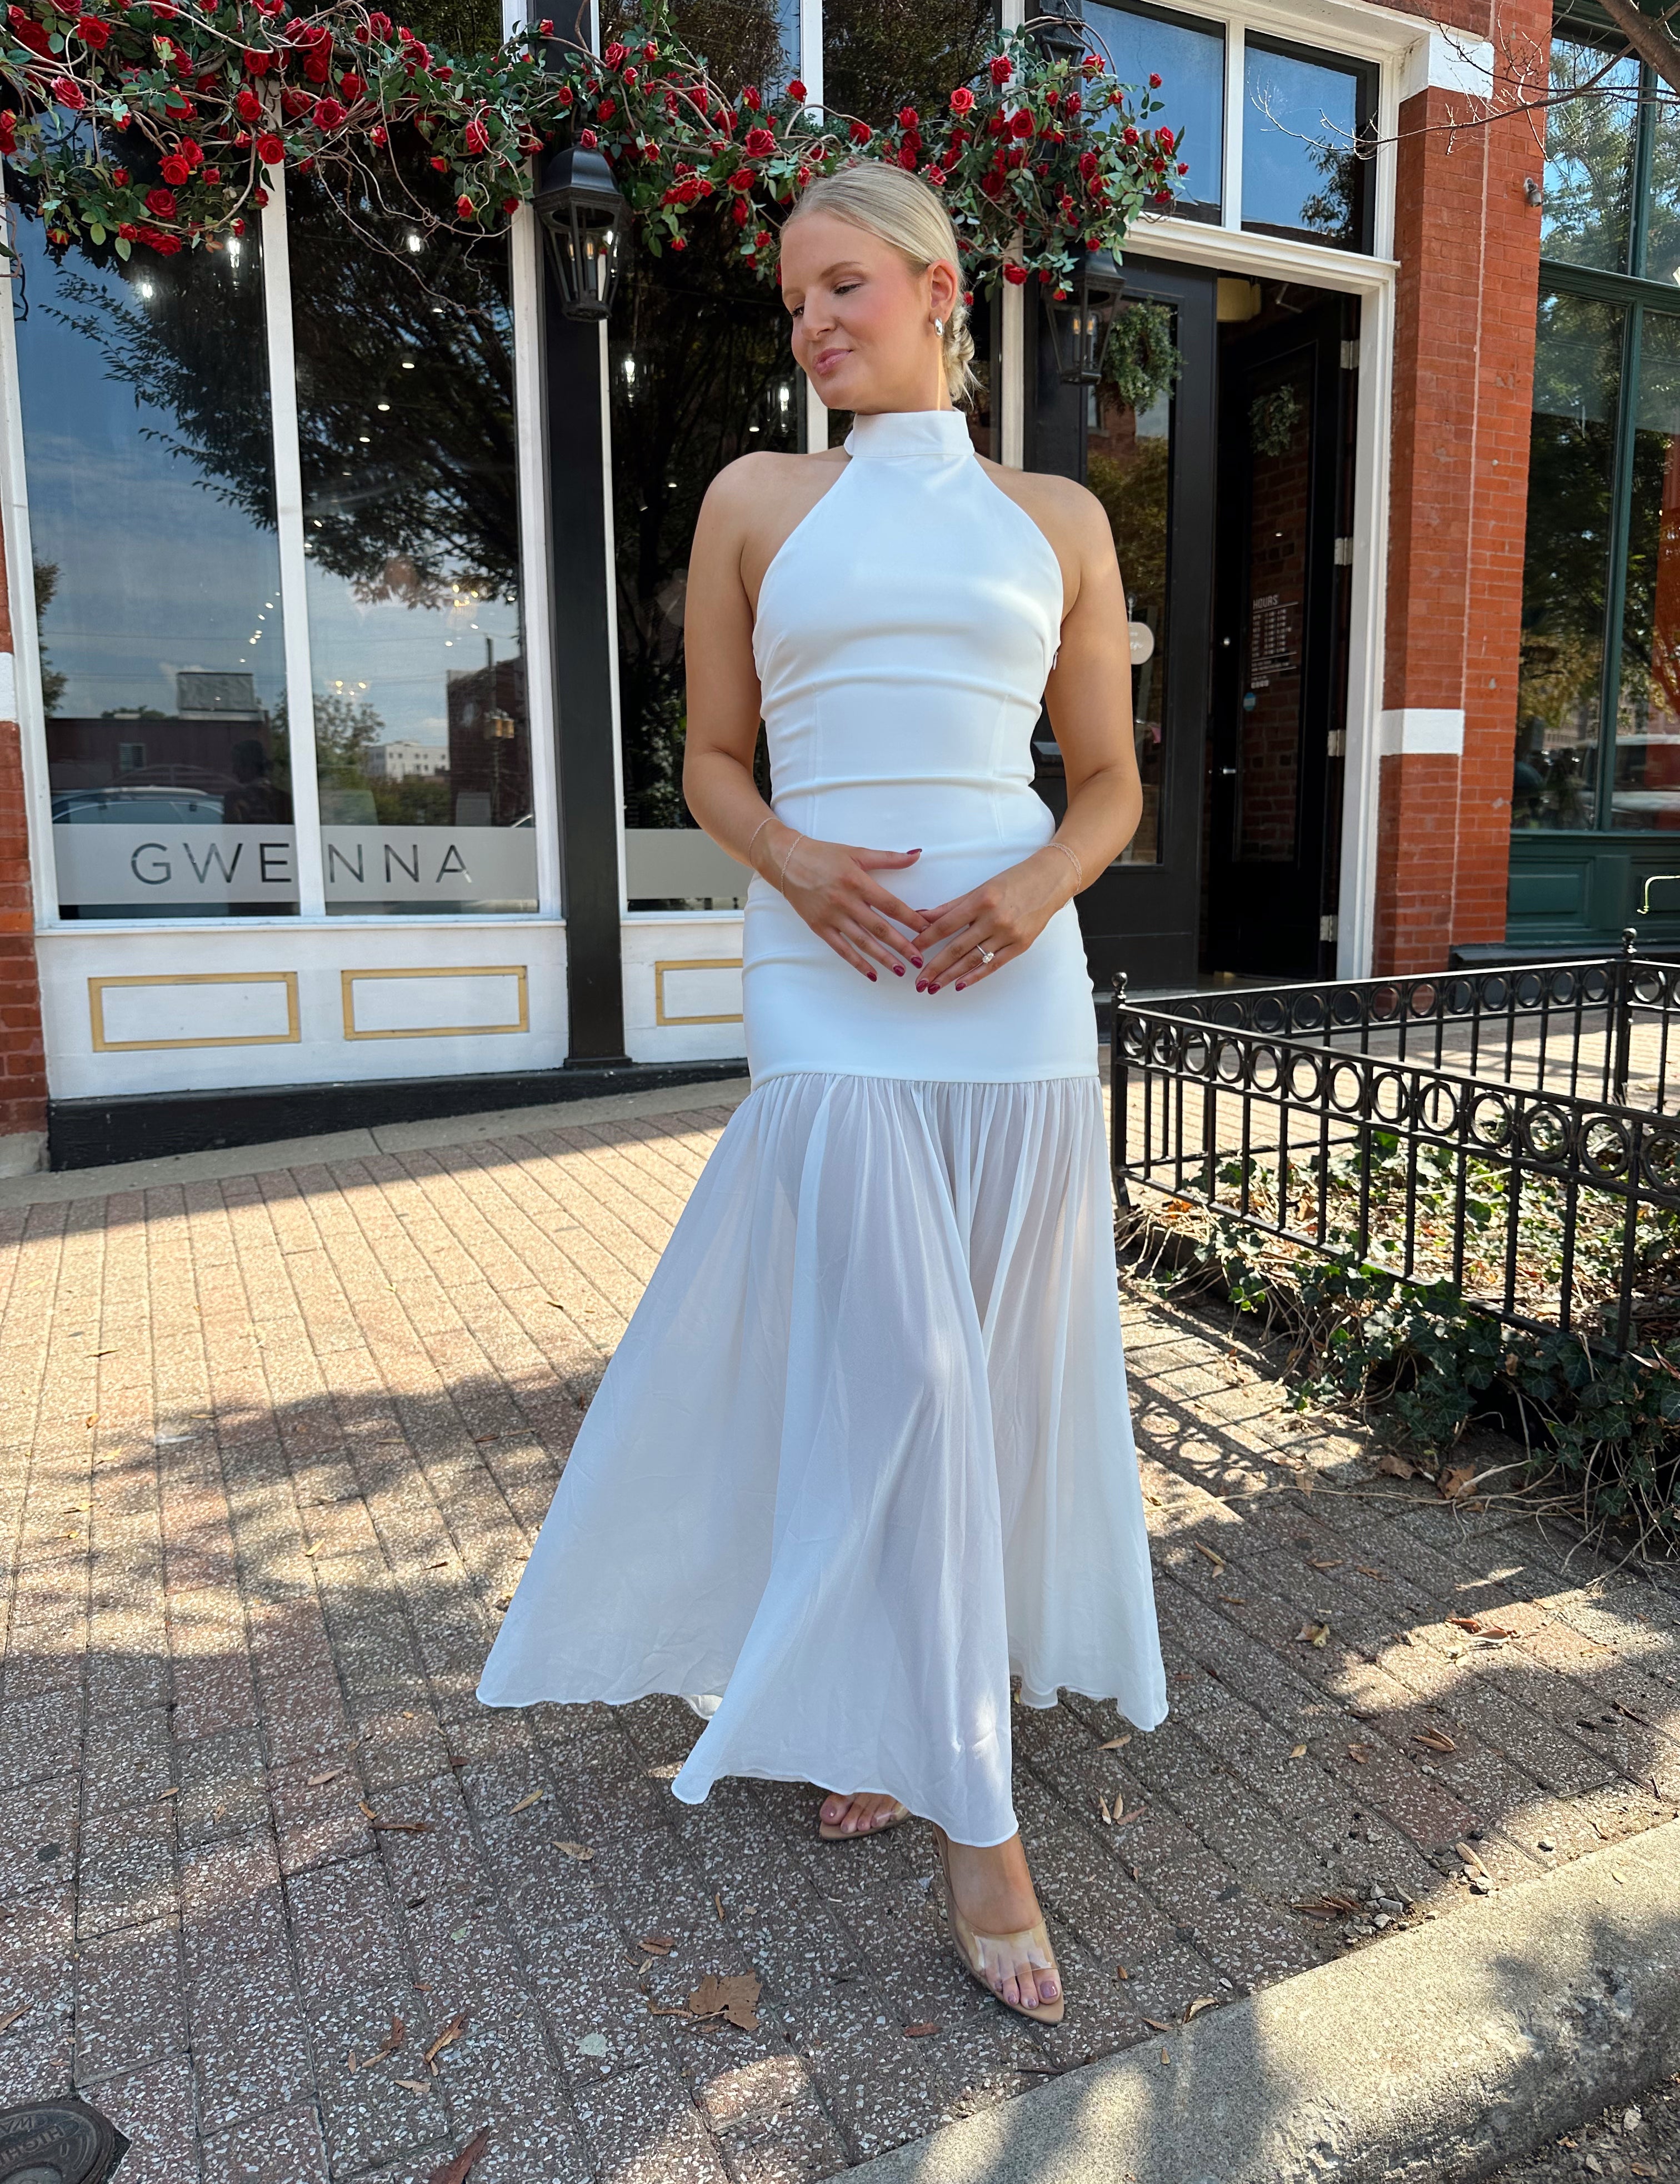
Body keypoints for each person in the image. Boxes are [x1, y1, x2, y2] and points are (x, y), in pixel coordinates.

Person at [478, 160, 1169, 2025]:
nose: (812, 322)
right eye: (796, 298)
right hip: (825, 976)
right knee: (910, 1368)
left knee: (980, 1370)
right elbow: (712, 758)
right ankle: (981, 1830)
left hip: (1013, 991)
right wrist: (795, 863)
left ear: (941, 288)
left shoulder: (1057, 520)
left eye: (843, 285)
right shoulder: (755, 500)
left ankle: (882, 1705)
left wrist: (1036, 888)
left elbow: (1110, 781)